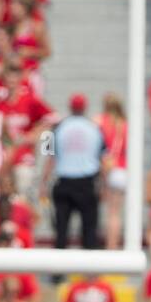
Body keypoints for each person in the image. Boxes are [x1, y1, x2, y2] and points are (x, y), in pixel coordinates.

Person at [47, 92, 105, 252]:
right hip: (86, 182)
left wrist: (43, 183)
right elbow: (102, 159)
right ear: (85, 108)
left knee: (61, 231)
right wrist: (104, 185)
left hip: (64, 181)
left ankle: (57, 272)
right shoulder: (94, 128)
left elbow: (48, 157)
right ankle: (90, 273)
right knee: (89, 231)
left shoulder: (57, 127)